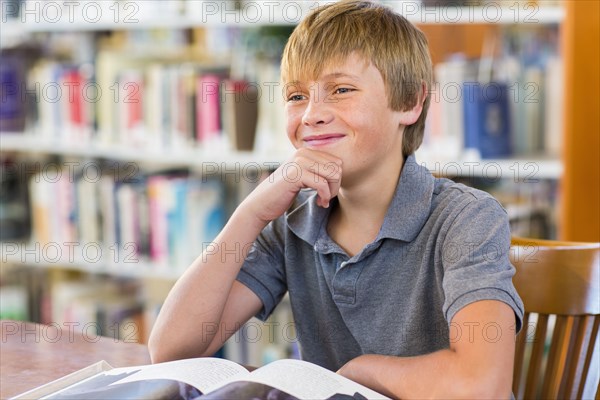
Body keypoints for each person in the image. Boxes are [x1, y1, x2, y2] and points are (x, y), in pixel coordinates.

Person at [149, 1, 524, 398]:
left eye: (341, 90)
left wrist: (360, 371)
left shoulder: (467, 219)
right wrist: (251, 212)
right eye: (296, 96)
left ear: (411, 102)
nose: (311, 114)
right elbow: (172, 350)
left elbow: (482, 386)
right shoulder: (289, 224)